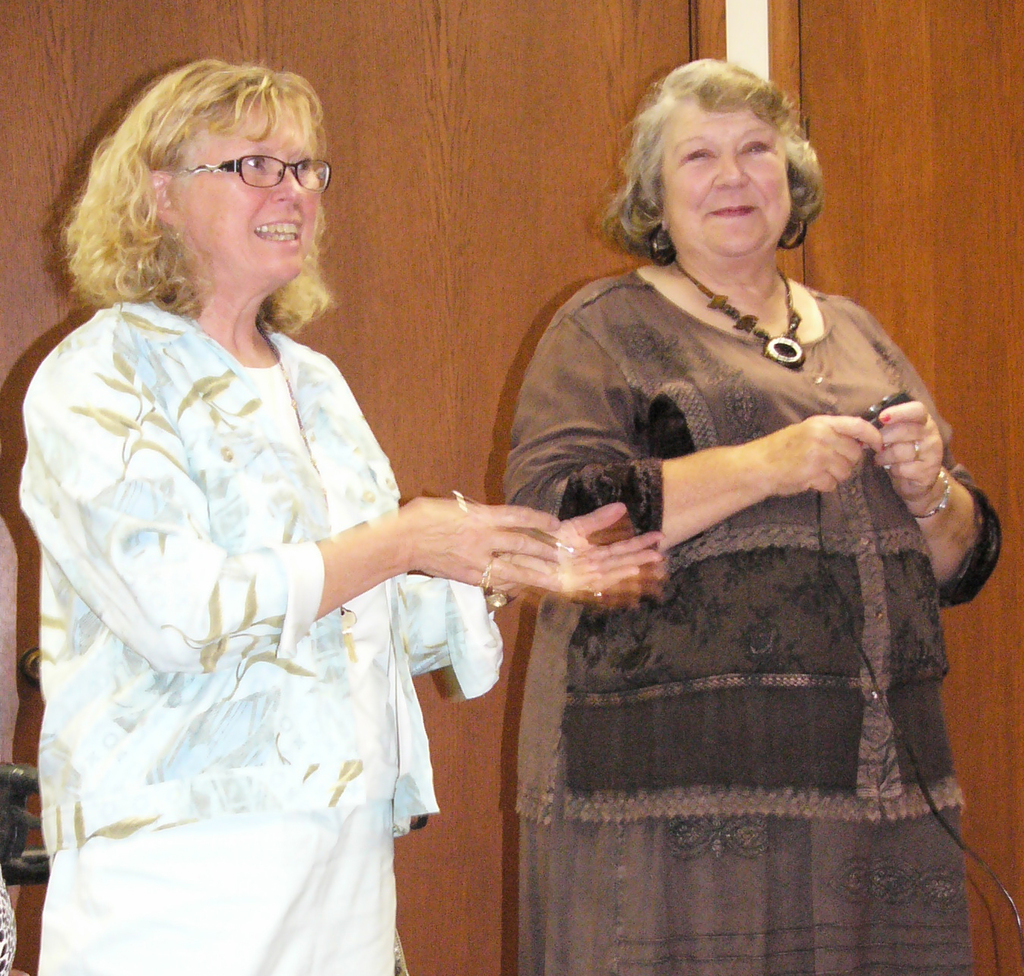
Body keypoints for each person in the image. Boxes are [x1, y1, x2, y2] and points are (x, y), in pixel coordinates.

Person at [18, 59, 662, 976]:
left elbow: (360, 612)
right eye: (254, 165)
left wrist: (489, 563)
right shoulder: (101, 374)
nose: (293, 191)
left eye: (307, 168)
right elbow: (175, 611)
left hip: (341, 859)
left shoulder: (313, 383)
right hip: (177, 867)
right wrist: (406, 538)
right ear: (159, 196)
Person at [505, 59, 1001, 976]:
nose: (732, 177)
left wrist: (933, 489)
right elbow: (550, 524)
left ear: (792, 177)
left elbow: (961, 565)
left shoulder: (858, 331)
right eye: (699, 156)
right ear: (655, 194)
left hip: (875, 796)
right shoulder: (601, 328)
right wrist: (761, 465)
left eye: (755, 151)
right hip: (665, 796)